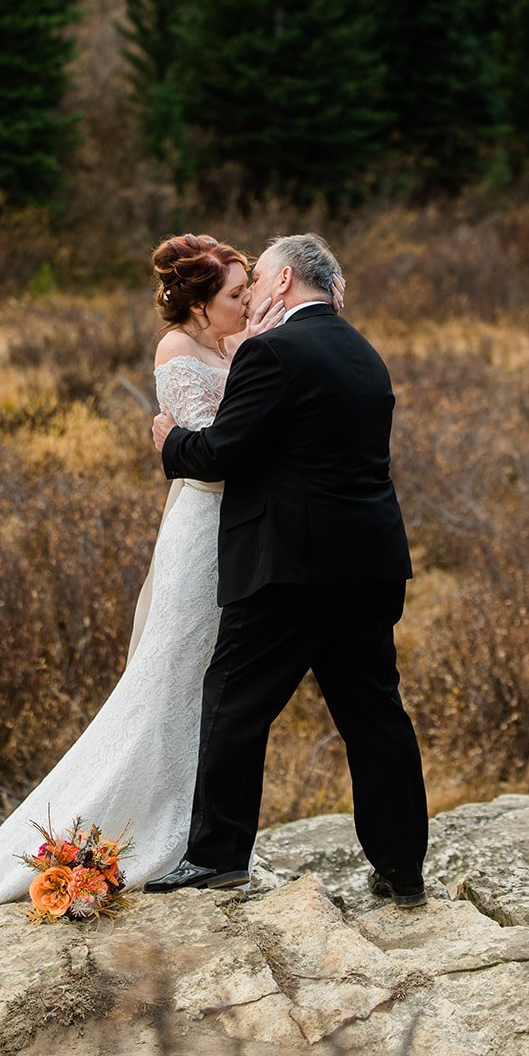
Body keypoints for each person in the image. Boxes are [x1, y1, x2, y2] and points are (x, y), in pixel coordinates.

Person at [0, 233, 284, 941]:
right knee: (172, 674)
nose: (247, 299)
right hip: (205, 529)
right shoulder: (179, 352)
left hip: (244, 531)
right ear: (197, 304)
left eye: (249, 286)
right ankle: (147, 827)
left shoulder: (238, 345)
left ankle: (202, 830)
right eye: (234, 293)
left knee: (213, 682)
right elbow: (211, 459)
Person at [145, 233, 429, 907]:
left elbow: (223, 452)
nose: (252, 298)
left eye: (260, 280)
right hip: (370, 563)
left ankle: (217, 857)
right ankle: (403, 872)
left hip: (291, 566)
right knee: (374, 716)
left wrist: (172, 442)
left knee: (235, 702)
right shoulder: (363, 350)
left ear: (282, 284)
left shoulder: (274, 351)